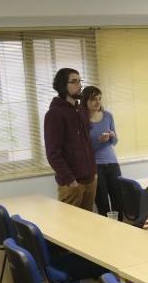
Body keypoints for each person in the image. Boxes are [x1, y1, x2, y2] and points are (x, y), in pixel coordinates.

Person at [44, 68, 97, 211]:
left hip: (90, 180)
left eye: (80, 81)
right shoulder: (55, 114)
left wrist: (93, 172)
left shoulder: (80, 110)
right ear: (62, 85)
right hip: (72, 185)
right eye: (74, 81)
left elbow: (86, 143)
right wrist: (71, 180)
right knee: (70, 230)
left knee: (87, 227)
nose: (79, 85)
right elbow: (53, 153)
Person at [81, 85, 124, 219]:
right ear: (86, 101)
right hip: (95, 166)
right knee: (102, 201)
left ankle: (121, 230)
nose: (98, 102)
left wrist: (112, 137)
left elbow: (114, 142)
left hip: (112, 163)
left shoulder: (108, 116)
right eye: (94, 99)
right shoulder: (81, 120)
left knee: (118, 198)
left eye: (100, 98)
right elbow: (84, 149)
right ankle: (106, 232)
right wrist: (99, 141)